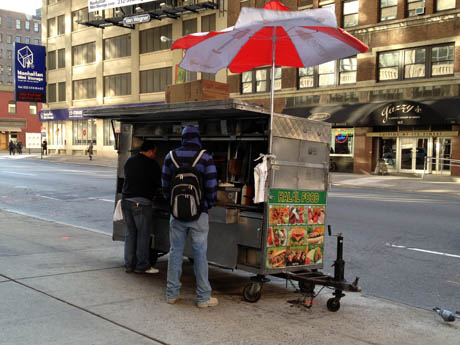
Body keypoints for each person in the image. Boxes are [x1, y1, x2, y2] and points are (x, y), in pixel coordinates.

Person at [162, 125, 218, 308]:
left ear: (183, 138)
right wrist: (205, 206)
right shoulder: (206, 157)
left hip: (176, 215)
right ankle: (203, 298)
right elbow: (211, 187)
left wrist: (173, 206)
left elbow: (165, 186)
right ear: (197, 138)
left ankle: (171, 294)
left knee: (175, 252)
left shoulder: (170, 157)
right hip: (199, 215)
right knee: (200, 254)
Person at [121, 141, 162, 274]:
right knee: (143, 235)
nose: (155, 155)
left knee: (130, 234)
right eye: (155, 152)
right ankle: (142, 265)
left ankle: (129, 264)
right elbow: (159, 182)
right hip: (141, 203)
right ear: (150, 151)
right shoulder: (152, 164)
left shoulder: (129, 161)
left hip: (126, 201)